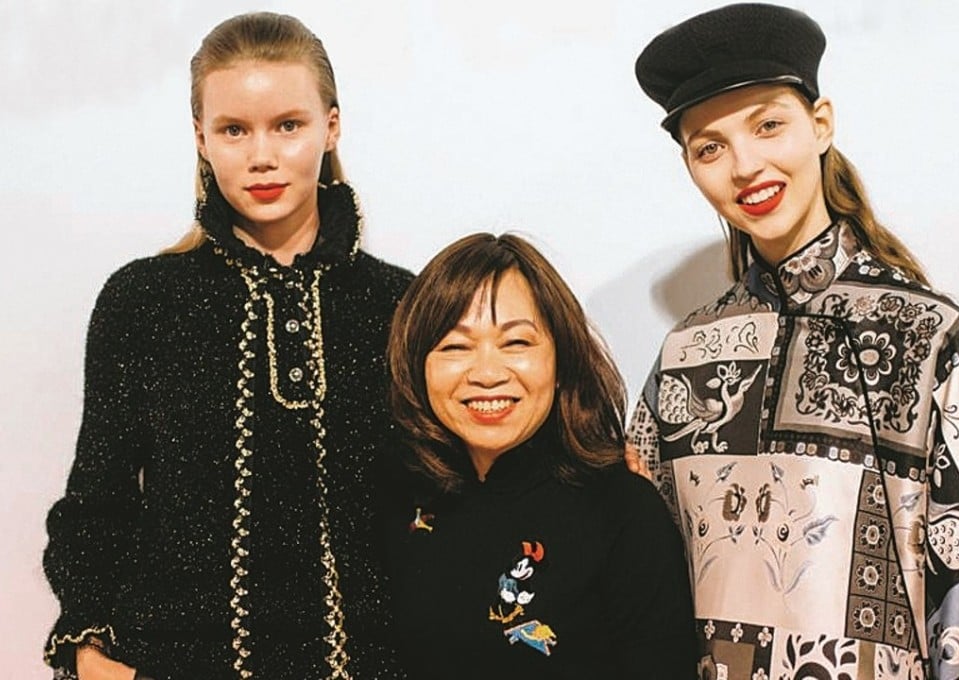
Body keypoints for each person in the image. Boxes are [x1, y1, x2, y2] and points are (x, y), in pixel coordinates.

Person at [627, 3, 959, 679]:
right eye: (710, 146)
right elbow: (641, 576)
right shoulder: (684, 357)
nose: (745, 166)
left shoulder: (929, 336)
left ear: (821, 123)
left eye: (768, 124)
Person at [42, 12, 413, 680]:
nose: (262, 155)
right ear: (201, 138)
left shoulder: (401, 303)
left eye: (288, 125)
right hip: (172, 660)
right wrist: (90, 652)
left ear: (332, 126)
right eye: (234, 129)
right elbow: (97, 501)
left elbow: (451, 490)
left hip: (374, 661)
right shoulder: (142, 300)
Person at [384, 232, 697, 678]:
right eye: (455, 347)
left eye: (516, 343)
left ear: (561, 358)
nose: (487, 374)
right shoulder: (399, 504)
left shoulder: (622, 509)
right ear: (418, 366)